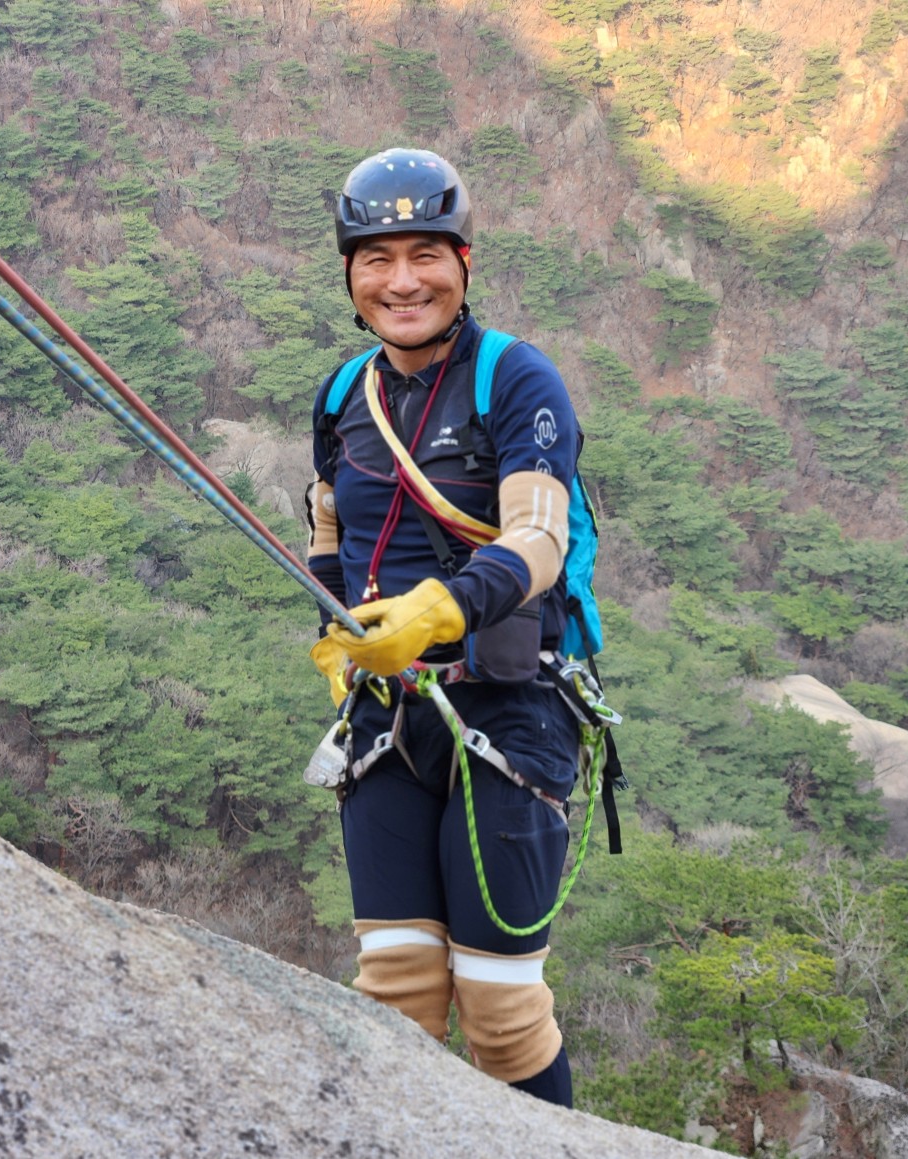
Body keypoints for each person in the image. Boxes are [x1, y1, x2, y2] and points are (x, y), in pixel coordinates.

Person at [306, 147, 584, 1108]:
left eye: (426, 253)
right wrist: (336, 634)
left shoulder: (516, 378)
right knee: (397, 997)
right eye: (376, 258)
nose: (402, 280)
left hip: (508, 710)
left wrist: (440, 608)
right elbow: (329, 530)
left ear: (464, 260)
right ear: (350, 273)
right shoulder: (345, 396)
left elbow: (540, 537)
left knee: (502, 1014)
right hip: (389, 716)